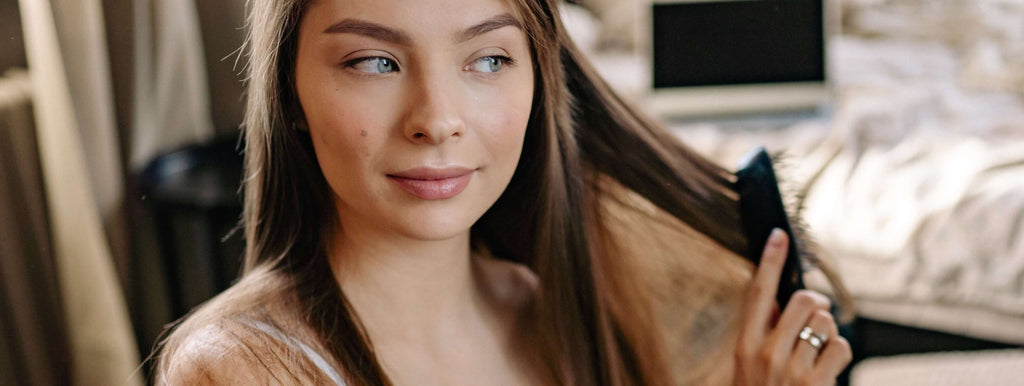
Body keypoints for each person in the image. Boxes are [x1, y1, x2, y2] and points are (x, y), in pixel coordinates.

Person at [154, 0, 852, 384]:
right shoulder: (246, 366)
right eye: (375, 61)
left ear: (538, 80)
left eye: (488, 59)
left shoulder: (553, 314)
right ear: (291, 93)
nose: (437, 119)